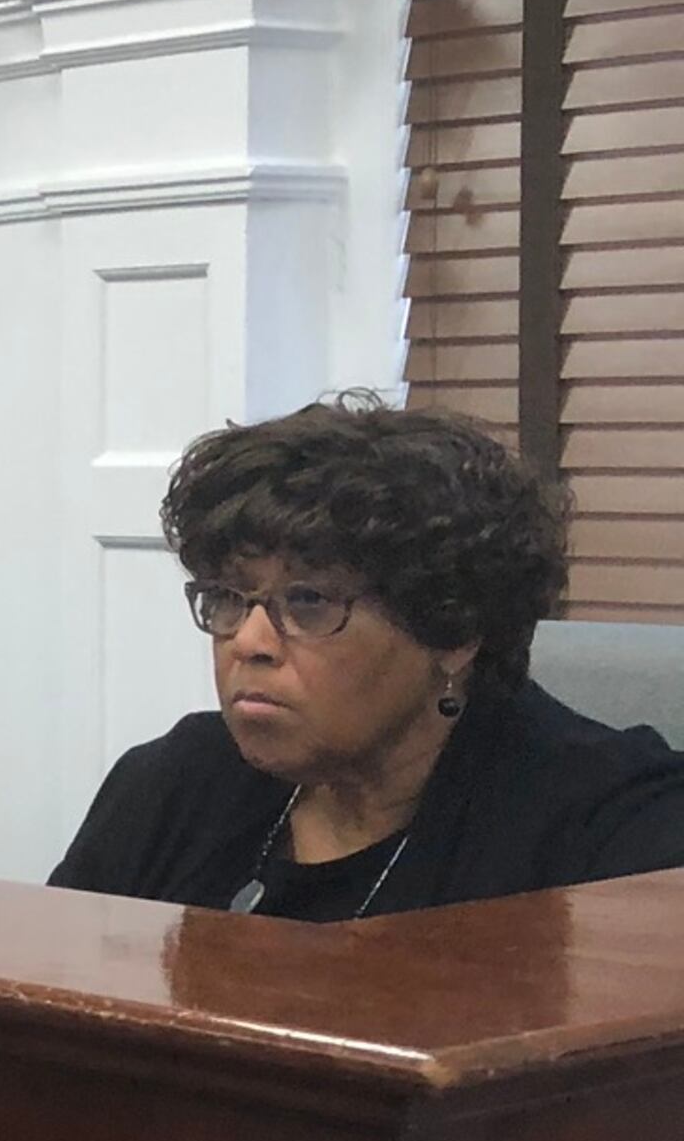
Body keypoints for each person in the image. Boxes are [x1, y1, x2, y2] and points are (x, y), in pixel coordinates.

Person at [52, 393, 684, 920]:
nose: (248, 641)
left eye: (308, 601)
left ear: (453, 630)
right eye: (228, 598)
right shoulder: (174, 785)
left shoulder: (619, 830)